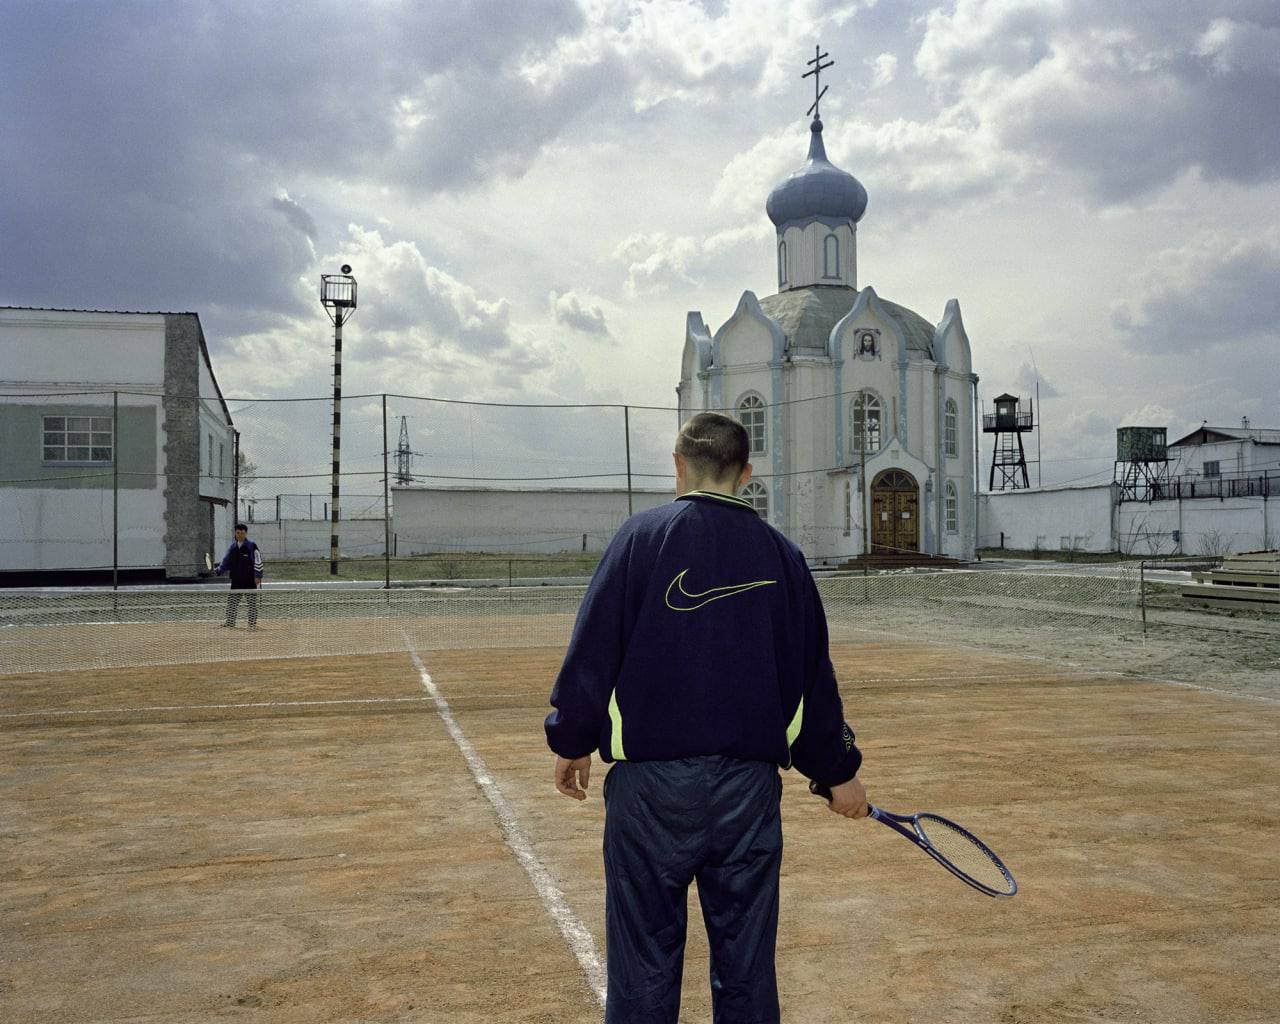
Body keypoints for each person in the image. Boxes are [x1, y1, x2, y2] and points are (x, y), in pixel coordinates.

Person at [545, 411, 868, 1024]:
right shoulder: (784, 555)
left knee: (644, 963)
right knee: (745, 965)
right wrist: (836, 771)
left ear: (677, 466)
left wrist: (573, 738)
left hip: (650, 796)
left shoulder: (639, 539)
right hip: (746, 794)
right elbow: (811, 684)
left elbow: (594, 648)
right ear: (746, 473)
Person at [214, 523, 263, 628]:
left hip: (250, 580)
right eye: (238, 533)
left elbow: (258, 561)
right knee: (232, 602)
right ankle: (230, 623)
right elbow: (226, 561)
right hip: (236, 580)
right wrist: (219, 570)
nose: (240, 535)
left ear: (246, 534)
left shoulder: (252, 545)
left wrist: (258, 576)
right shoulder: (232, 547)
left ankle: (252, 625)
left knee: (251, 603)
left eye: (242, 533)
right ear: (235, 533)